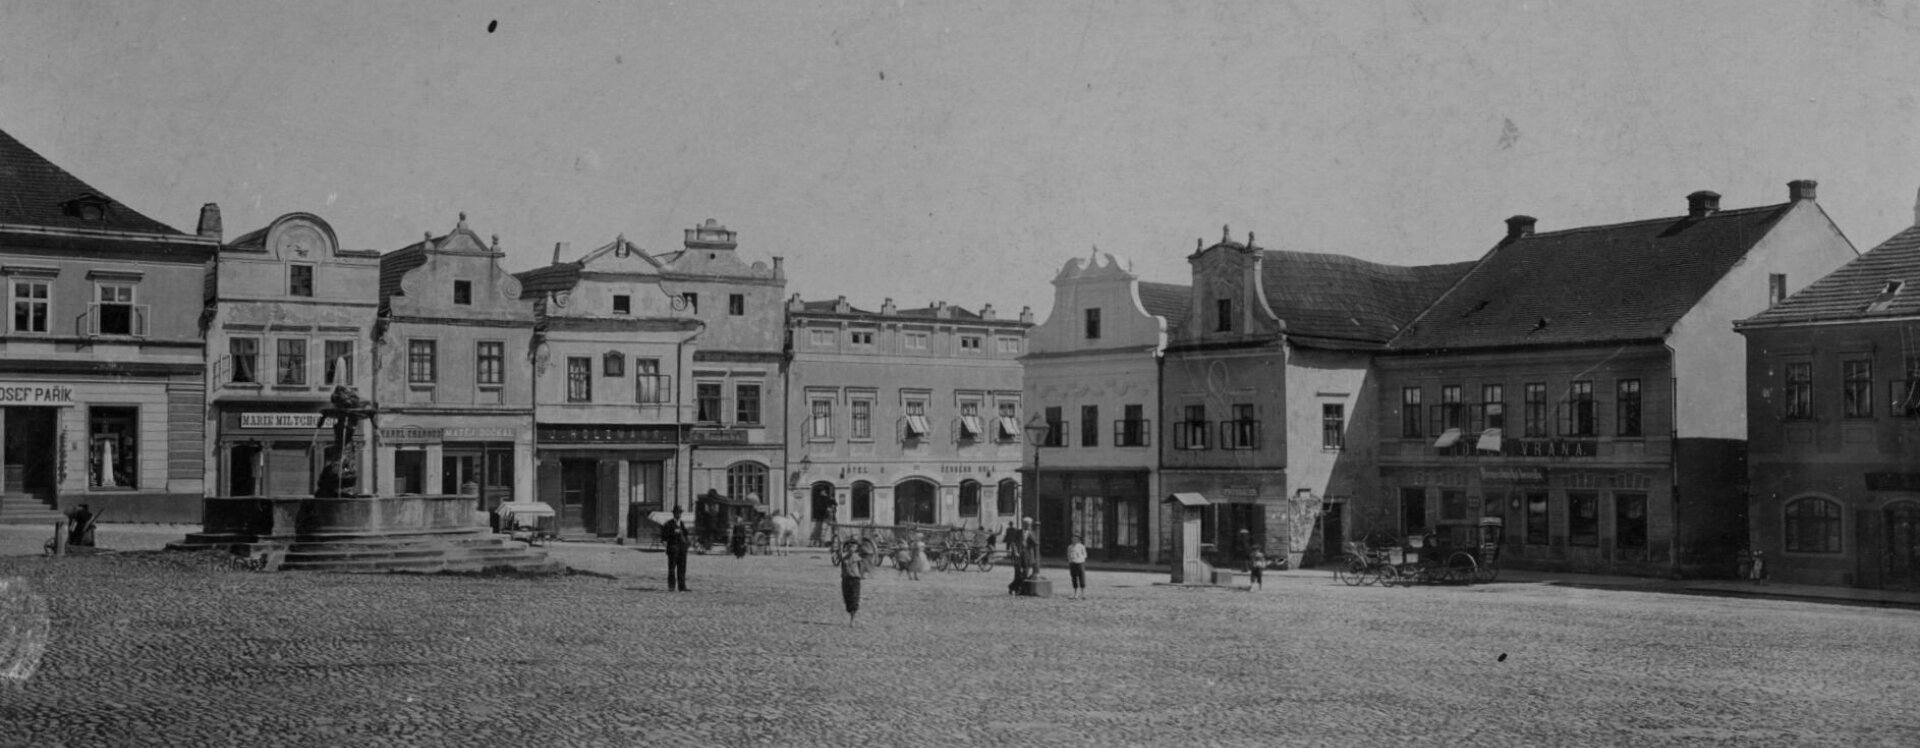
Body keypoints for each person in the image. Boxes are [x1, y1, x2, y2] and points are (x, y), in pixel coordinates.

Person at [833, 538, 871, 626]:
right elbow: (840, 563)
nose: (851, 549)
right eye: (849, 547)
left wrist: (862, 575)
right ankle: (850, 614)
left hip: (855, 579)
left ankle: (852, 620)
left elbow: (862, 568)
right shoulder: (844, 558)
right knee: (847, 599)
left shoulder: (858, 558)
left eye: (853, 547)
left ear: (856, 548)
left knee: (854, 599)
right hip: (846, 580)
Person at [660, 505, 691, 591]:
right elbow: (664, 537)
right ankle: (671, 586)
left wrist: (687, 543)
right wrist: (673, 533)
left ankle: (682, 586)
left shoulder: (682, 524)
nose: (679, 514)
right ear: (674, 513)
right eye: (677, 512)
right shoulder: (669, 524)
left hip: (682, 550)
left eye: (680, 513)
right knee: (672, 568)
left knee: (682, 568)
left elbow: (686, 535)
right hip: (673, 549)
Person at [1003, 520, 1027, 595]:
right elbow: (1013, 542)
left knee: (1026, 571)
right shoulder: (1018, 532)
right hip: (1017, 555)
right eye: (1027, 524)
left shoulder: (1029, 532)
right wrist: (1015, 551)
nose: (1028, 526)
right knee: (1017, 572)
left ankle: (1012, 586)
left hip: (1024, 554)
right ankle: (1017, 589)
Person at [1065, 535, 1088, 599]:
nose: (1074, 540)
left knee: (1082, 577)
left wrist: (1080, 559)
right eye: (1073, 539)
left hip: (1080, 563)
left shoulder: (1081, 546)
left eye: (1075, 539)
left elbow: (1085, 555)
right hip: (1072, 563)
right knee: (1074, 578)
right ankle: (1075, 593)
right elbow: (1068, 554)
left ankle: (1083, 593)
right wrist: (1070, 561)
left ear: (1078, 540)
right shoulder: (1069, 547)